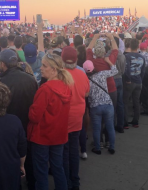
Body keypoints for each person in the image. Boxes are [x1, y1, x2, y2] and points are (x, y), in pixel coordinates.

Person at [28, 53, 73, 190]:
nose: (41, 68)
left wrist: (30, 108)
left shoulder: (46, 89)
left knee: (41, 172)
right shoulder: (66, 86)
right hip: (59, 135)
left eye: (44, 65)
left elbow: (34, 116)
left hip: (42, 137)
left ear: (53, 70)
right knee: (58, 167)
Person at [0, 48, 38, 190]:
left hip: (10, 127)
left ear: (3, 64)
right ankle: (32, 184)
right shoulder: (30, 78)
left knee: (13, 158)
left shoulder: (1, 82)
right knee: (29, 158)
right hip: (29, 124)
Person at [61, 46, 89, 190]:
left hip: (64, 119)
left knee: (64, 153)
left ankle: (66, 182)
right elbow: (86, 93)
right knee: (73, 150)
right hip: (78, 118)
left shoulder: (60, 75)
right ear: (76, 59)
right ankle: (75, 181)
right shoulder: (82, 74)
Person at [83, 59, 118, 155]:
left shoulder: (86, 81)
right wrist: (109, 61)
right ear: (93, 67)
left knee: (97, 128)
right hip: (108, 104)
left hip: (95, 107)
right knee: (110, 127)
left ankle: (97, 148)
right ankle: (112, 147)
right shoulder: (102, 74)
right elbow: (115, 71)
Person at [123, 38, 145, 128]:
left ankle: (125, 122)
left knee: (125, 102)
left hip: (130, 81)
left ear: (130, 46)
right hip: (138, 81)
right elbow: (143, 71)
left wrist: (127, 79)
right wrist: (140, 79)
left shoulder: (127, 56)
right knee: (136, 101)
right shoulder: (142, 57)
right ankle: (136, 121)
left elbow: (127, 69)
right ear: (138, 46)